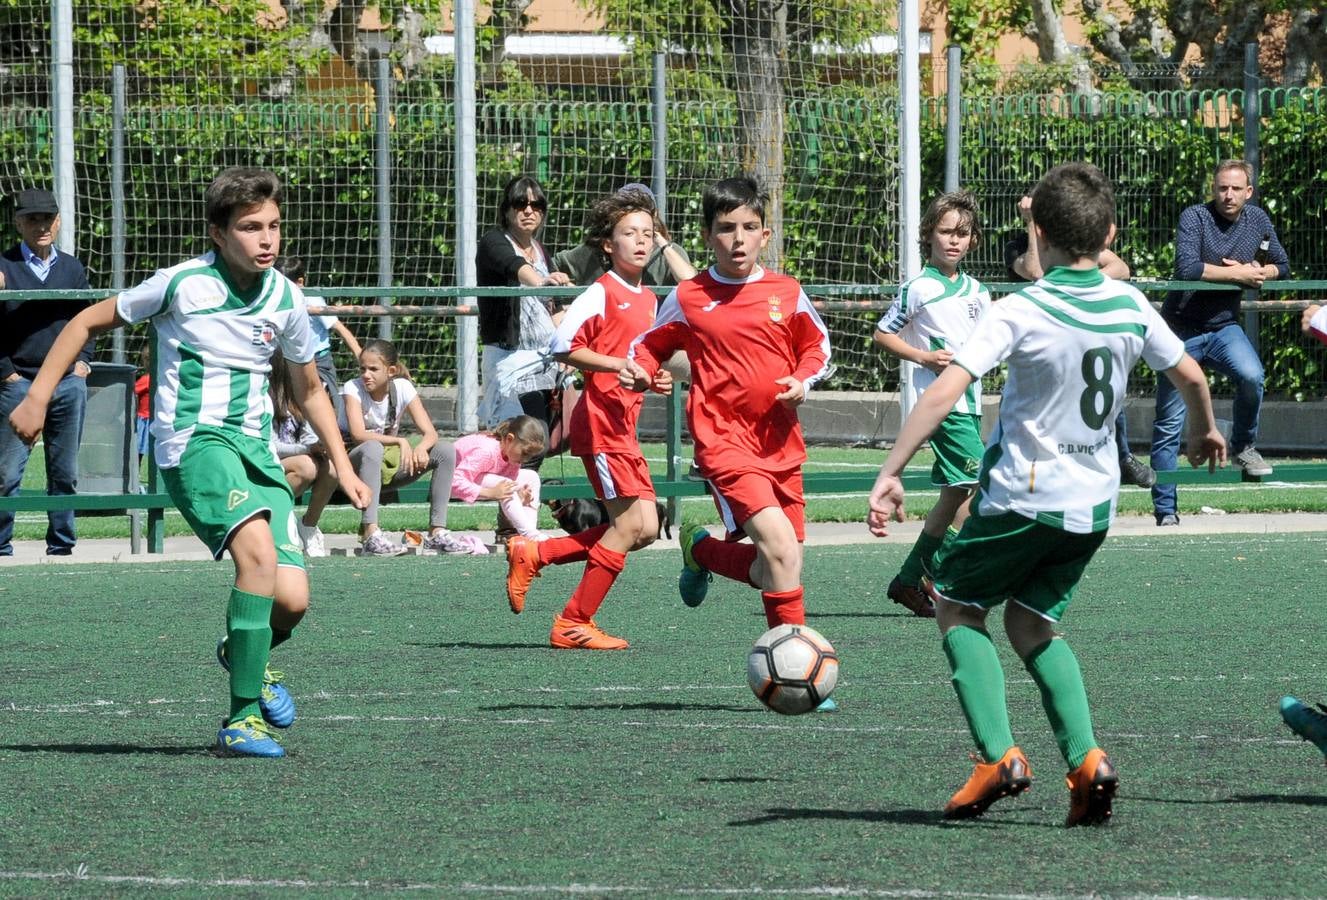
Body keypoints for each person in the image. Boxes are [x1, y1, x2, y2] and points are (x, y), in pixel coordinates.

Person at [867, 162, 1225, 825]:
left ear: (1036, 232)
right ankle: (1086, 760)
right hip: (1091, 507)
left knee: (954, 605)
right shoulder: (1128, 302)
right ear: (1109, 232)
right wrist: (1205, 431)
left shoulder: (1021, 307)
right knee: (1030, 623)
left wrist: (891, 468)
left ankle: (996, 756)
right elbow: (1191, 375)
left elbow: (946, 388)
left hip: (1020, 499)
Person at [8, 167, 372, 758]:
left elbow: (308, 389)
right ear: (218, 232)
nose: (266, 239)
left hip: (256, 451)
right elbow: (83, 322)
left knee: (293, 600)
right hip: (194, 445)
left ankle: (241, 650)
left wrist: (345, 466)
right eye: (251, 227)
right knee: (255, 559)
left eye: (273, 226)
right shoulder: (180, 285)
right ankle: (241, 719)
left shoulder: (286, 297)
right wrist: (37, 395)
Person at [621, 175, 834, 705]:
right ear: (707, 235)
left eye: (749, 227)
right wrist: (639, 369)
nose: (738, 238)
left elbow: (818, 348)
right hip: (724, 445)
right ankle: (796, 671)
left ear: (765, 234)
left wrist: (802, 381)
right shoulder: (691, 296)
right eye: (725, 229)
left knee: (775, 567)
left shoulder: (786, 292)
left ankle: (702, 550)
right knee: (780, 550)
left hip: (781, 443)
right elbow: (650, 343)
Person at [505, 190, 674, 650]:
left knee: (645, 529)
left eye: (646, 233)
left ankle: (537, 553)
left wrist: (650, 377)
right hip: (601, 426)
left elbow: (636, 357)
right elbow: (562, 346)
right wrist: (618, 367)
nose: (640, 242)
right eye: (628, 234)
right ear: (607, 244)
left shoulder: (648, 299)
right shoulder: (601, 291)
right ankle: (573, 621)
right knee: (627, 528)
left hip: (624, 427)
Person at [1151, 159, 1289, 526]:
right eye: (1221, 188)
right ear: (1213, 189)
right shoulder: (1194, 216)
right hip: (1179, 329)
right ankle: (1166, 510)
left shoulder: (1258, 221)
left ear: (1248, 192)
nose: (1227, 195)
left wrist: (1263, 271)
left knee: (1252, 375)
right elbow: (1188, 268)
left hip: (1224, 329)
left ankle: (1244, 446)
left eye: (1235, 189)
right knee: (1168, 423)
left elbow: (1282, 265)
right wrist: (1236, 273)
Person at [873, 190, 991, 618]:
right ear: (929, 236)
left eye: (962, 233)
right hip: (941, 407)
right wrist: (923, 357)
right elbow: (883, 334)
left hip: (971, 403)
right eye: (945, 232)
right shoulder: (919, 288)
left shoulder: (980, 291)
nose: (954, 241)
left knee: (955, 494)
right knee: (985, 489)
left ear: (973, 240)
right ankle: (940, 576)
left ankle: (908, 579)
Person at [1005, 193, 1156, 490]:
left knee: (1102, 393)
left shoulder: (1073, 247)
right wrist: (1032, 224)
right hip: (1040, 341)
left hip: (1075, 332)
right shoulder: (1016, 244)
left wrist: (1080, 284)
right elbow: (1035, 272)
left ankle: (1122, 456)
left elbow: (1121, 269)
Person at [0, 188, 94, 557]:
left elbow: (87, 318)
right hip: (18, 382)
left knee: (65, 474)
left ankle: (62, 547)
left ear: (57, 221)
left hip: (68, 382)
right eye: (32, 218)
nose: (41, 225)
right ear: (18, 222)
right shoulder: (4, 267)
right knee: (7, 475)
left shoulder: (72, 267)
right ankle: (1, 548)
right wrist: (7, 374)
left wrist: (83, 362)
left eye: (47, 218)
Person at [311, 338, 464, 557]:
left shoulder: (402, 387)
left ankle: (436, 532)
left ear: (390, 371)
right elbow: (357, 434)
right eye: (362, 368)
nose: (366, 374)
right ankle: (370, 534)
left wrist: (422, 447)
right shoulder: (353, 388)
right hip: (351, 470)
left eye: (373, 369)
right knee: (372, 447)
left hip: (385, 467)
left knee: (445, 451)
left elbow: (430, 432)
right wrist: (400, 441)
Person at [475, 175, 570, 446]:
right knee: (520, 442)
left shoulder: (542, 251)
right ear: (507, 209)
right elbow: (512, 265)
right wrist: (542, 282)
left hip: (544, 361)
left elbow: (556, 308)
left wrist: (569, 347)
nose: (529, 210)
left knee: (535, 441)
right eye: (520, 203)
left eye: (536, 204)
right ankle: (487, 487)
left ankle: (520, 487)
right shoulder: (493, 242)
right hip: (509, 359)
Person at [553, 183, 697, 287]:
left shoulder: (669, 253)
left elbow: (690, 282)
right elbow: (553, 264)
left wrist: (662, 243)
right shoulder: (595, 250)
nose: (640, 240)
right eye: (630, 232)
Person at [276, 256, 362, 419]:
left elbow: (339, 327)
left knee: (326, 402)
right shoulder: (277, 302)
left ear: (300, 282)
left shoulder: (312, 299)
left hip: (319, 360)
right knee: (288, 400)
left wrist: (359, 353)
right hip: (288, 360)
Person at [450, 415, 549, 542]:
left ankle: (530, 533)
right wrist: (489, 493)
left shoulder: (511, 454)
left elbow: (509, 486)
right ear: (509, 439)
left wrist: (521, 496)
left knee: (532, 477)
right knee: (507, 485)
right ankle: (530, 535)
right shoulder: (487, 451)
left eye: (530, 456)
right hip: (451, 482)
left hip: (478, 480)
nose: (526, 459)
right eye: (525, 453)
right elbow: (454, 481)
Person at [133, 344, 151, 480]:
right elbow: (133, 390)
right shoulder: (146, 380)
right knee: (139, 450)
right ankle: (136, 476)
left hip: (153, 420)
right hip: (144, 421)